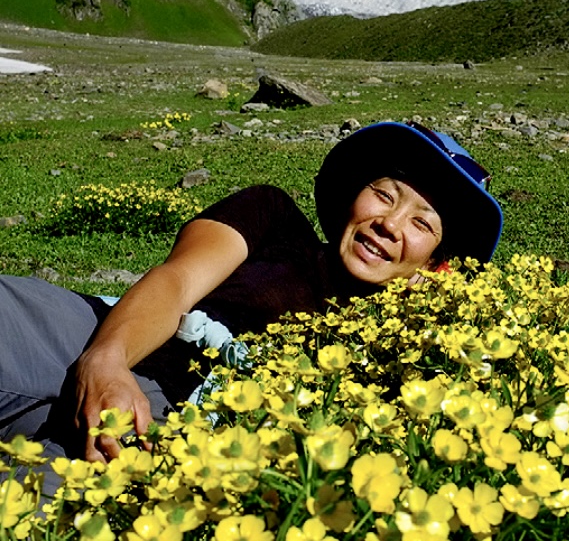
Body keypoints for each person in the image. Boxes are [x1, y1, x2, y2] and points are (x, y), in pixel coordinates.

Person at [0, 121, 502, 490]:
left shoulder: (398, 349)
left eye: (422, 224)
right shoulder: (274, 215)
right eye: (383, 195)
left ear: (438, 264)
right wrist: (106, 361)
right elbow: (176, 281)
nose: (389, 224)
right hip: (102, 335)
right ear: (354, 196)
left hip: (177, 432)